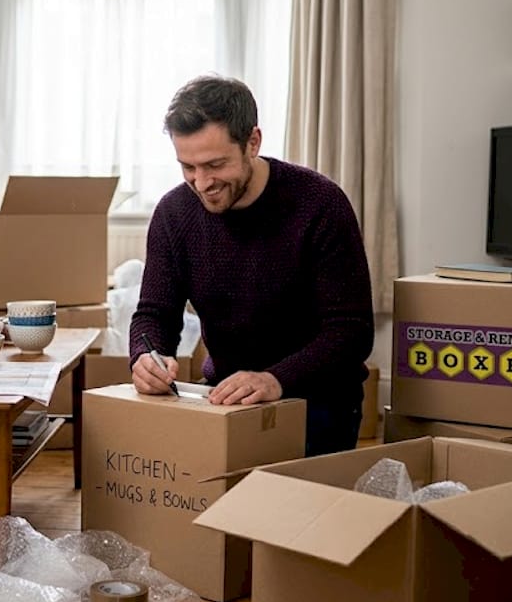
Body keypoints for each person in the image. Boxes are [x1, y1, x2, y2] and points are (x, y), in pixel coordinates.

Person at [129, 75, 374, 456]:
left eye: (215, 164)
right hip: (225, 398)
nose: (202, 182)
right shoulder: (173, 213)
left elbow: (352, 332)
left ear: (253, 143)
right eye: (187, 167)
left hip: (319, 403)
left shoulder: (320, 204)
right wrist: (147, 356)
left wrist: (276, 379)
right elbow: (154, 313)